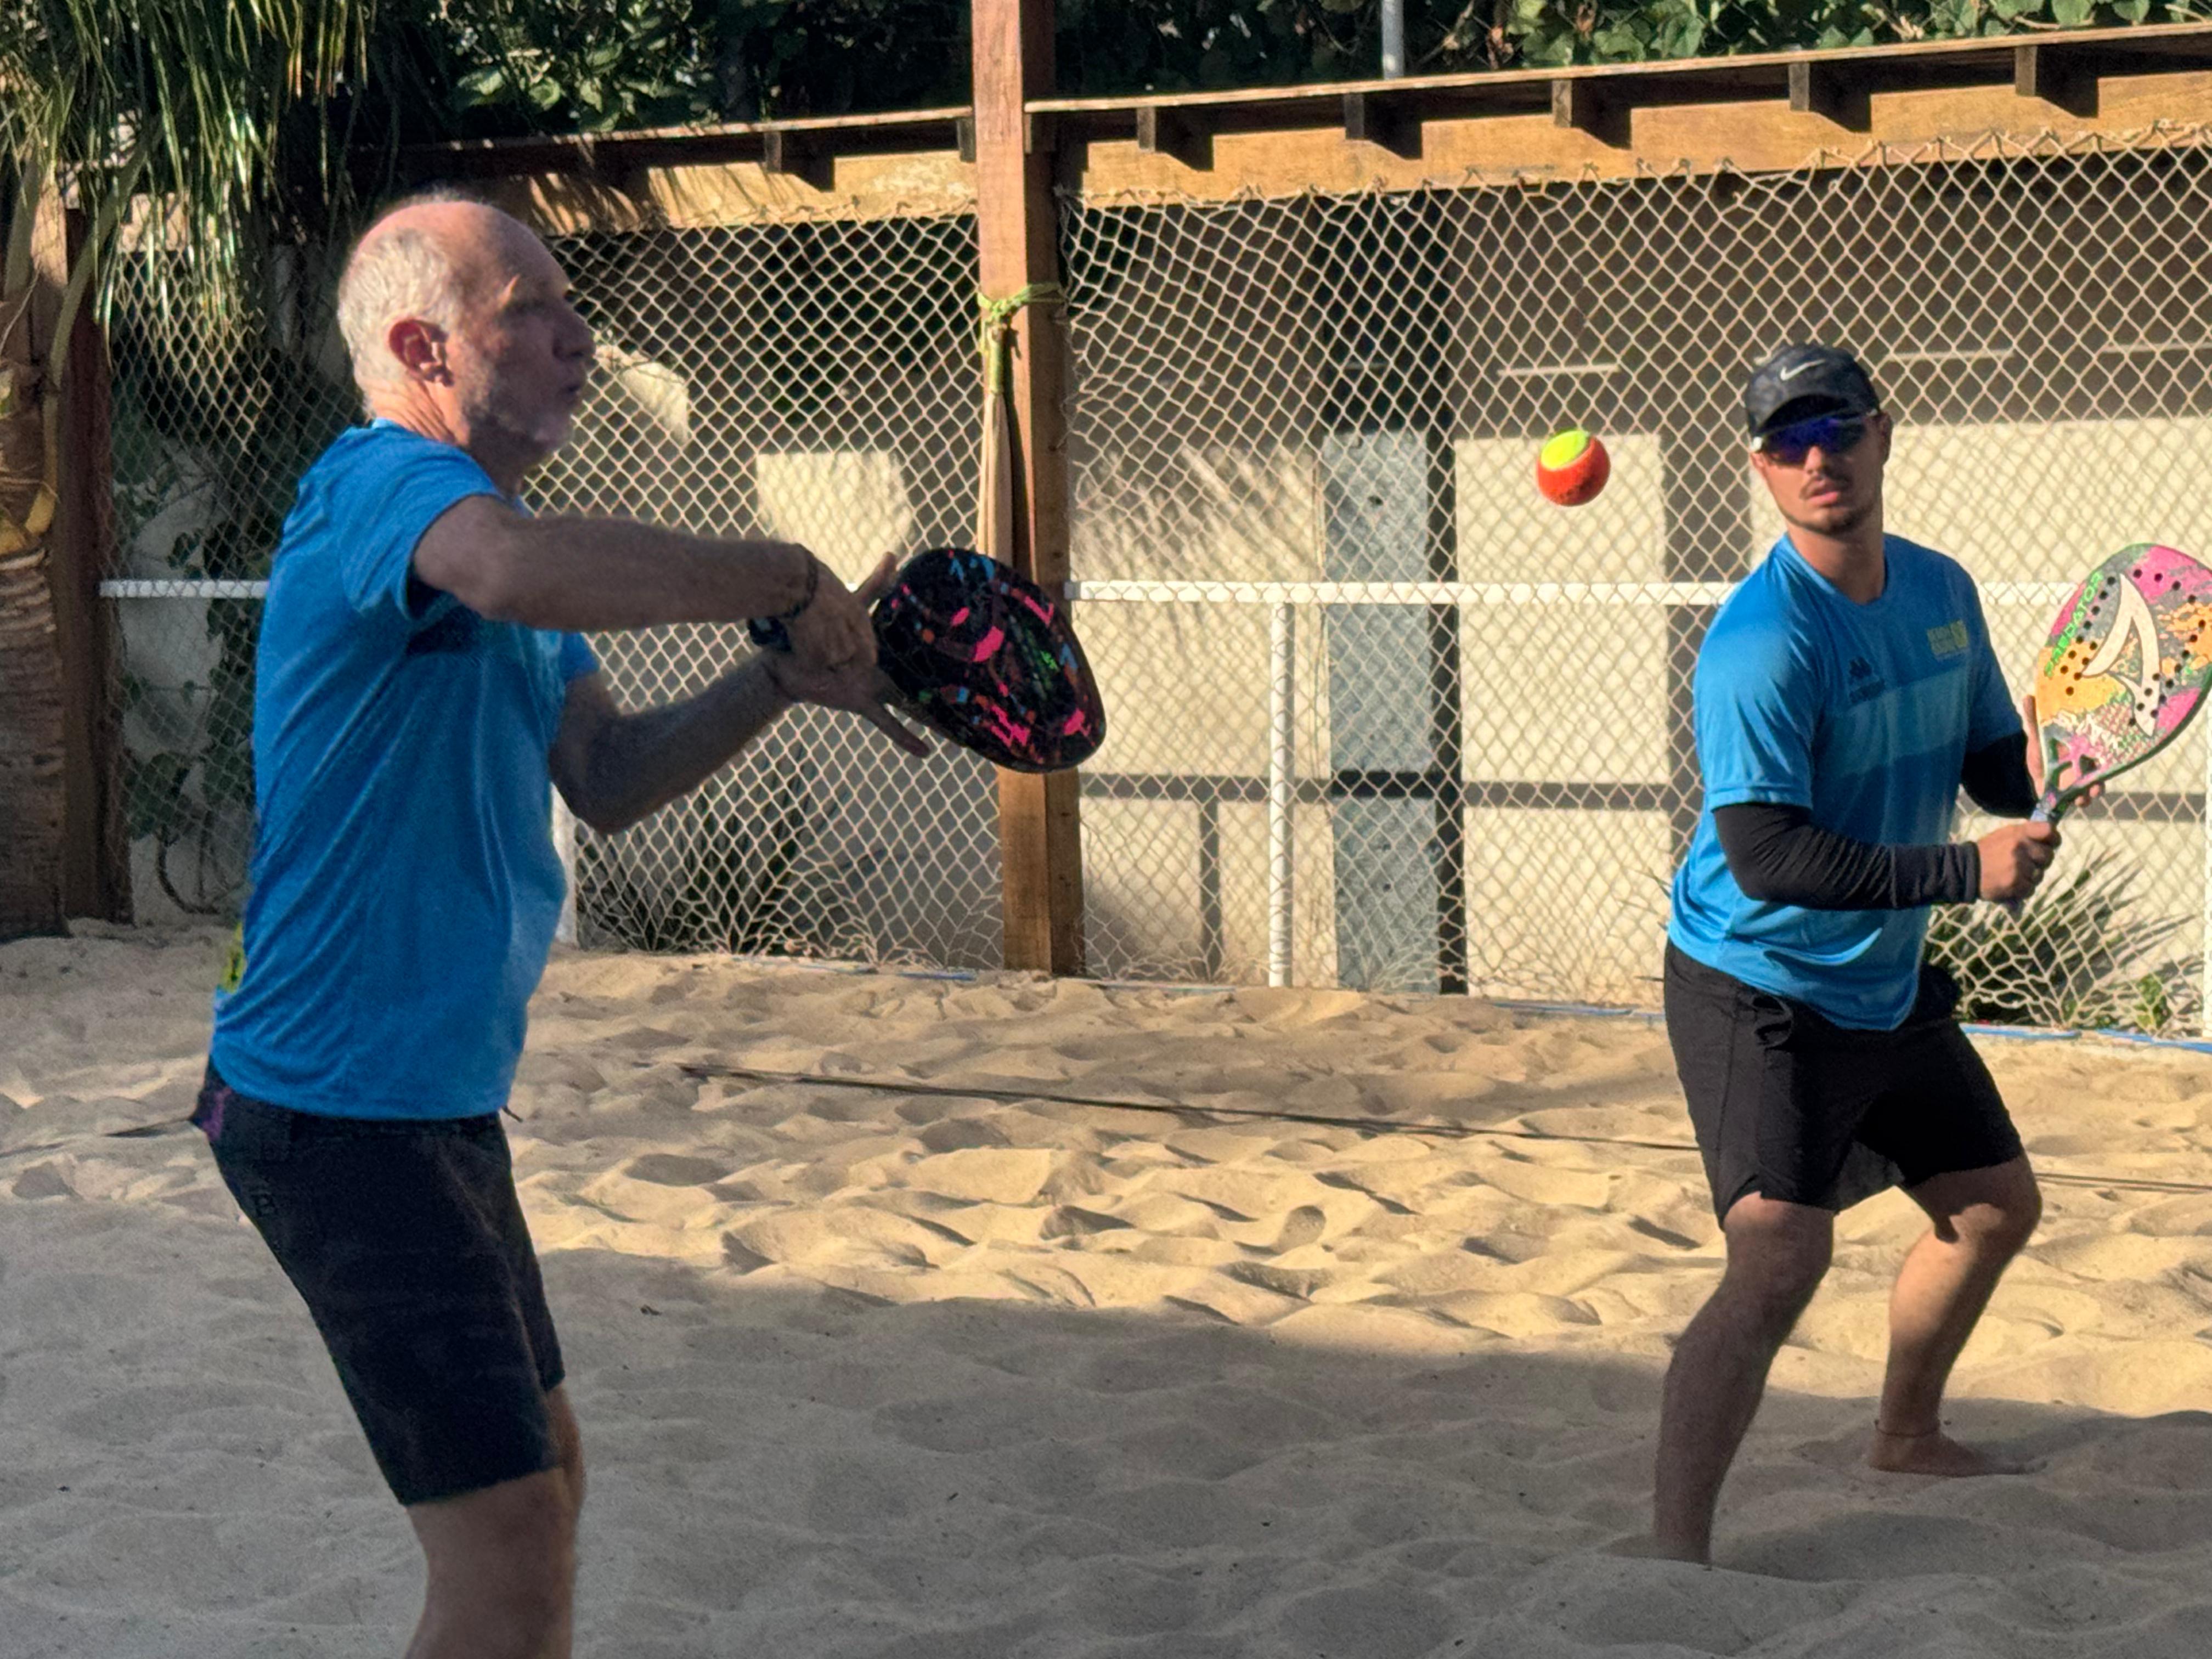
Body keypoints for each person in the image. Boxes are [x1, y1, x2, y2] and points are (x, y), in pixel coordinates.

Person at [190, 190, 928, 1658]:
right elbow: (509, 572)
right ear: (424, 347)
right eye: (528, 309)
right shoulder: (381, 487)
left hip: (434, 1105)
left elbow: (607, 777)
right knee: (512, 1537)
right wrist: (783, 575)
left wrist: (775, 681)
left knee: (548, 1481)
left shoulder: (509, 556)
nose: (579, 340)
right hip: (334, 1114)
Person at [1652, 343, 2057, 1565]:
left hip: (1879, 978)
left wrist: (2059, 758)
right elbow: (1770, 854)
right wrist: (1962, 873)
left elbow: (1990, 760)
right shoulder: (1762, 643)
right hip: (1755, 981)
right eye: (1788, 442)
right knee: (1780, 1257)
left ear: (1885, 435)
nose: (1817, 458)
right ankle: (1675, 1562)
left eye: (1836, 430)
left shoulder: (1941, 591)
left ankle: (1905, 1434)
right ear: (1762, 469)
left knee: (1990, 1208)